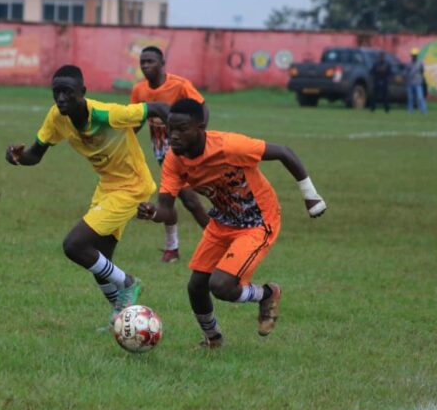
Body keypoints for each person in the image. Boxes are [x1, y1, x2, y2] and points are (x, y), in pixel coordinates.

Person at [136, 98, 327, 348]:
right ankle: (213, 339)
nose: (174, 136)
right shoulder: (174, 159)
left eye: (182, 129)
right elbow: (166, 208)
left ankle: (267, 294)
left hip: (258, 220)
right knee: (196, 286)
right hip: (224, 220)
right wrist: (152, 213)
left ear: (200, 127)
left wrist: (310, 197)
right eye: (171, 129)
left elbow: (284, 152)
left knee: (221, 285)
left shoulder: (230, 146)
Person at [6, 65, 170, 326]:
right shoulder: (57, 117)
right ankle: (122, 318)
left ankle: (128, 283)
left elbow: (159, 108)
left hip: (132, 187)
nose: (61, 98)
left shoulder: (108, 114)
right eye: (56, 92)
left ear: (82, 91)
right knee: (99, 260)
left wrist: (179, 140)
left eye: (68, 92)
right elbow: (35, 155)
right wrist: (17, 157)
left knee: (74, 246)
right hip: (107, 186)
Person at [131, 46, 209, 263]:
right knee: (176, 198)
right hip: (160, 150)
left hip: (182, 147)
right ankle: (174, 248)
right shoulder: (139, 90)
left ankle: (216, 241)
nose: (146, 66)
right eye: (143, 62)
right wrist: (124, 139)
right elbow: (135, 120)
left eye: (150, 61)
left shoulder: (180, 85)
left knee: (189, 198)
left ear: (162, 62)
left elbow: (202, 107)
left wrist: (199, 135)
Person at [405, 48, 427, 114]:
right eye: (413, 55)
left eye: (415, 55)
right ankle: (410, 111)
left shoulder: (420, 64)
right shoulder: (408, 64)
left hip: (418, 83)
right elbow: (406, 72)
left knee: (420, 98)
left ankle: (423, 111)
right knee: (410, 98)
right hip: (410, 83)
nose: (414, 57)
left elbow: (422, 72)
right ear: (411, 56)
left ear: (417, 56)